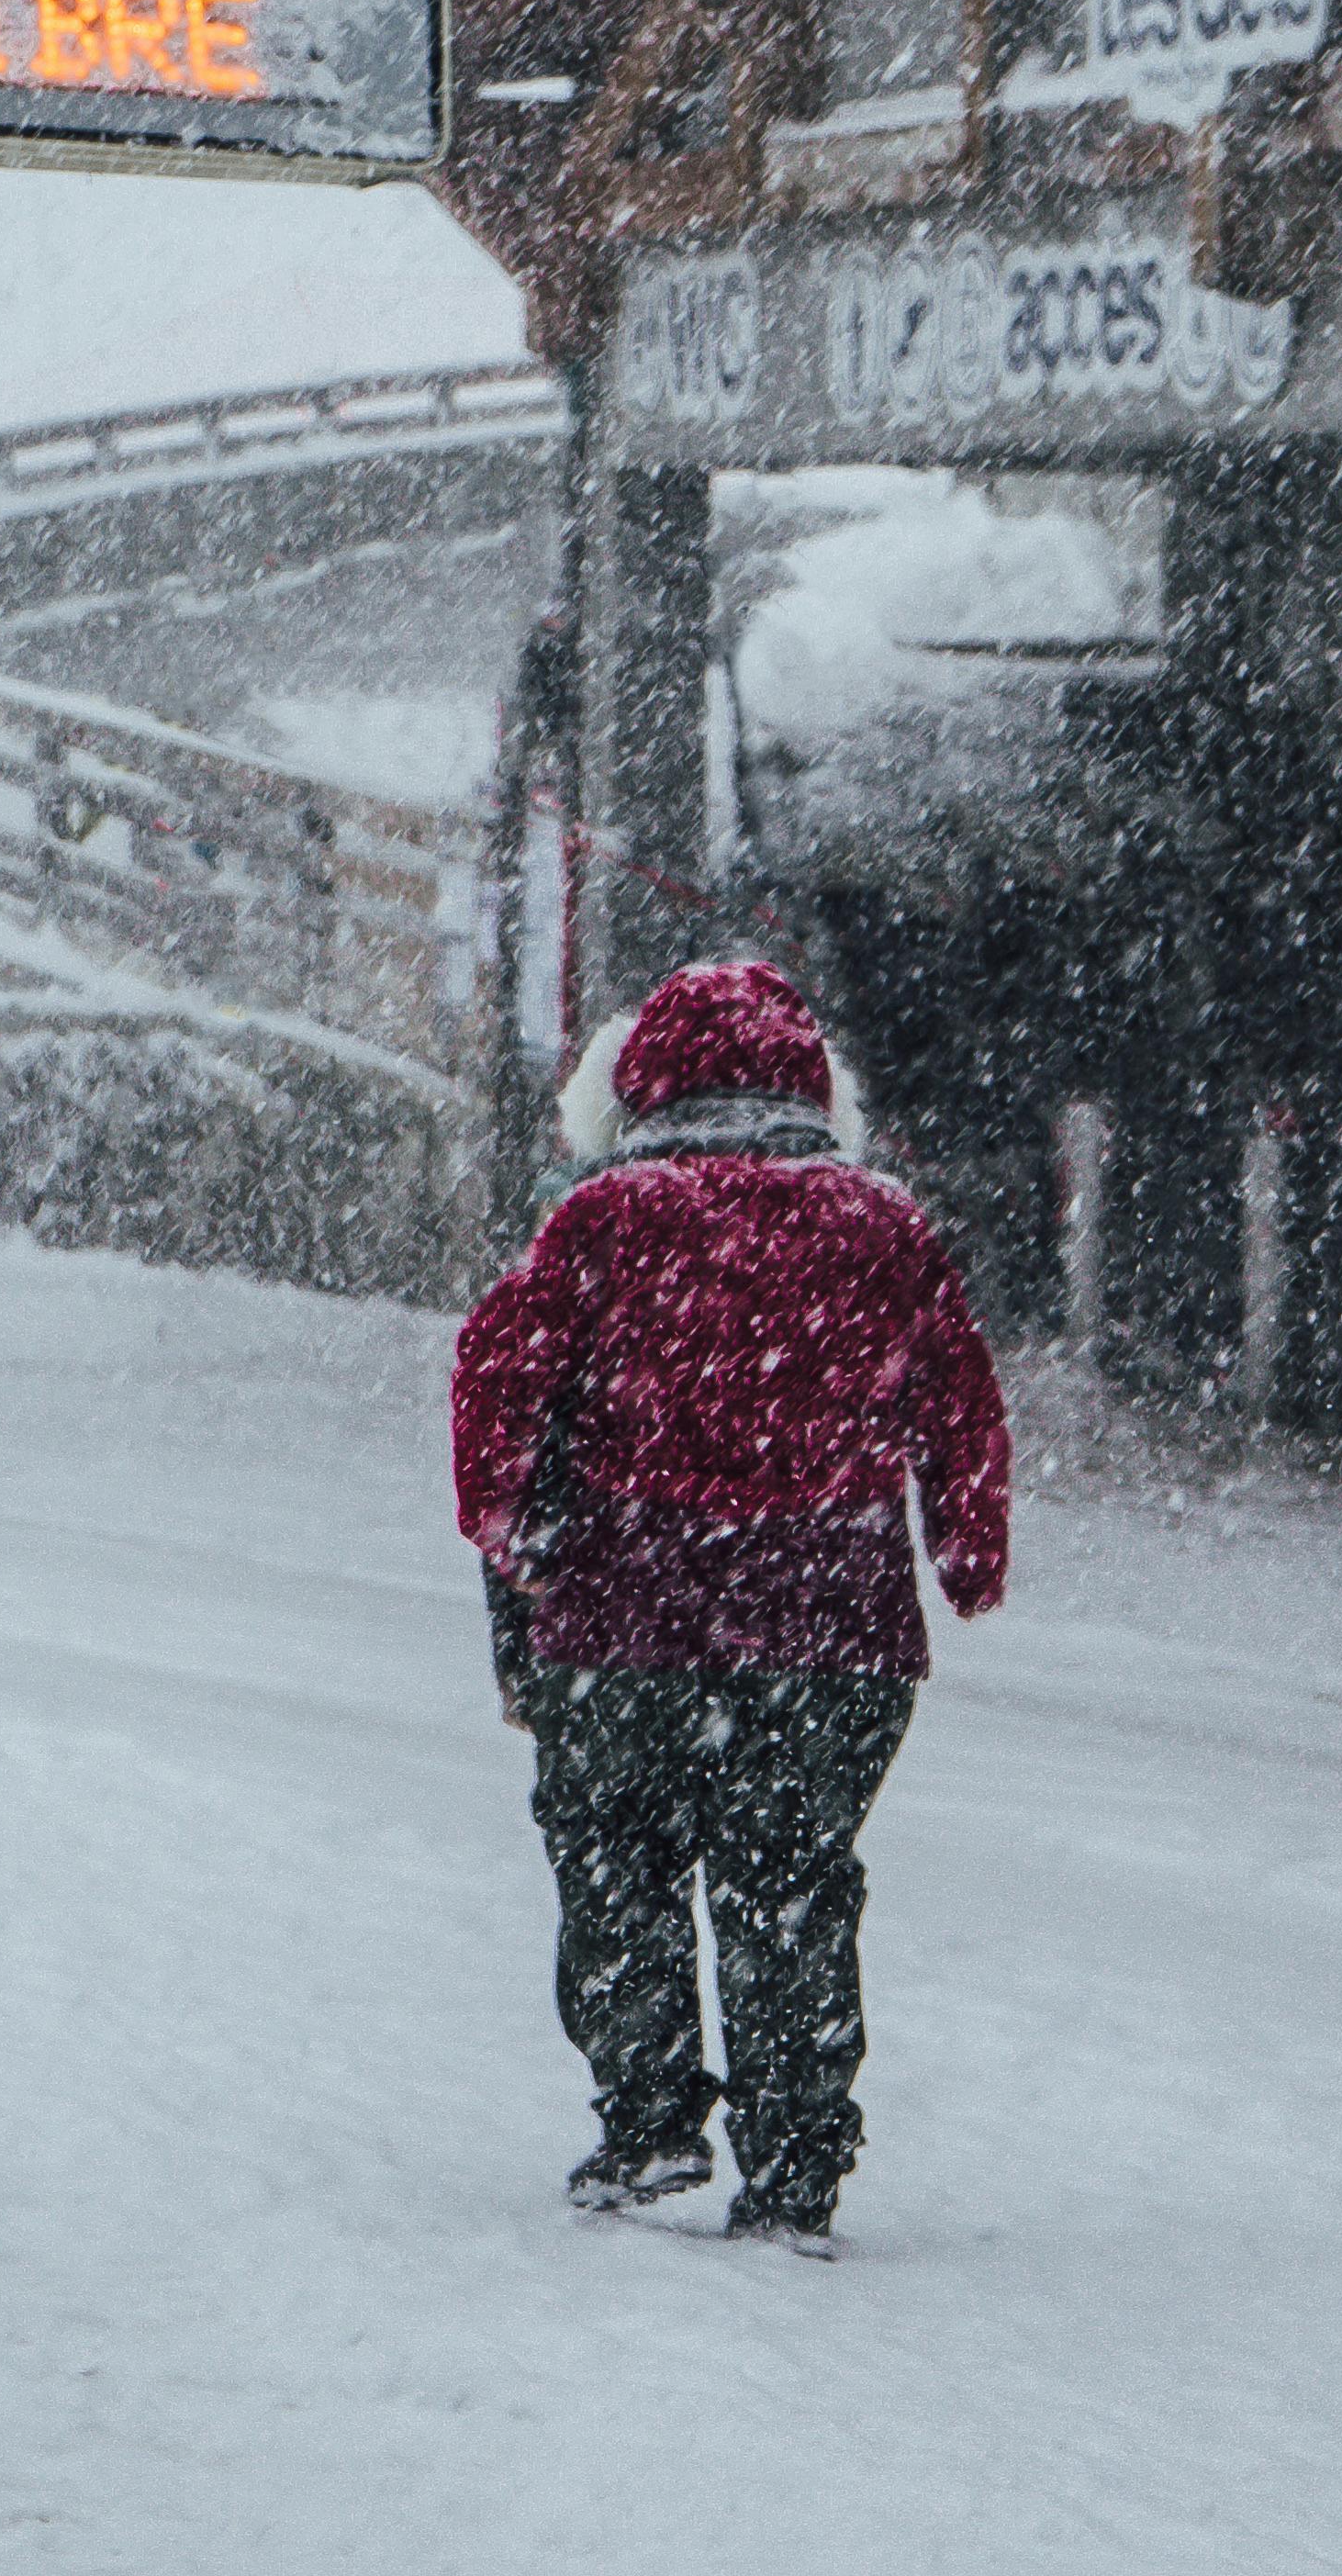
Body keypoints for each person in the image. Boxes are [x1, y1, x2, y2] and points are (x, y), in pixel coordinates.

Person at [451, 953, 1009, 2252]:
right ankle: (798, 2165)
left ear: (640, 1082)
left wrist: (515, 1527)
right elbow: (960, 1398)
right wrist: (966, 1548)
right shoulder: (885, 1226)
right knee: (792, 1878)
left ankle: (648, 2124)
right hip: (834, 1617)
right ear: (814, 1084)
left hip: (625, 1614)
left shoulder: (598, 1224)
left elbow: (496, 1379)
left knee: (618, 1859)